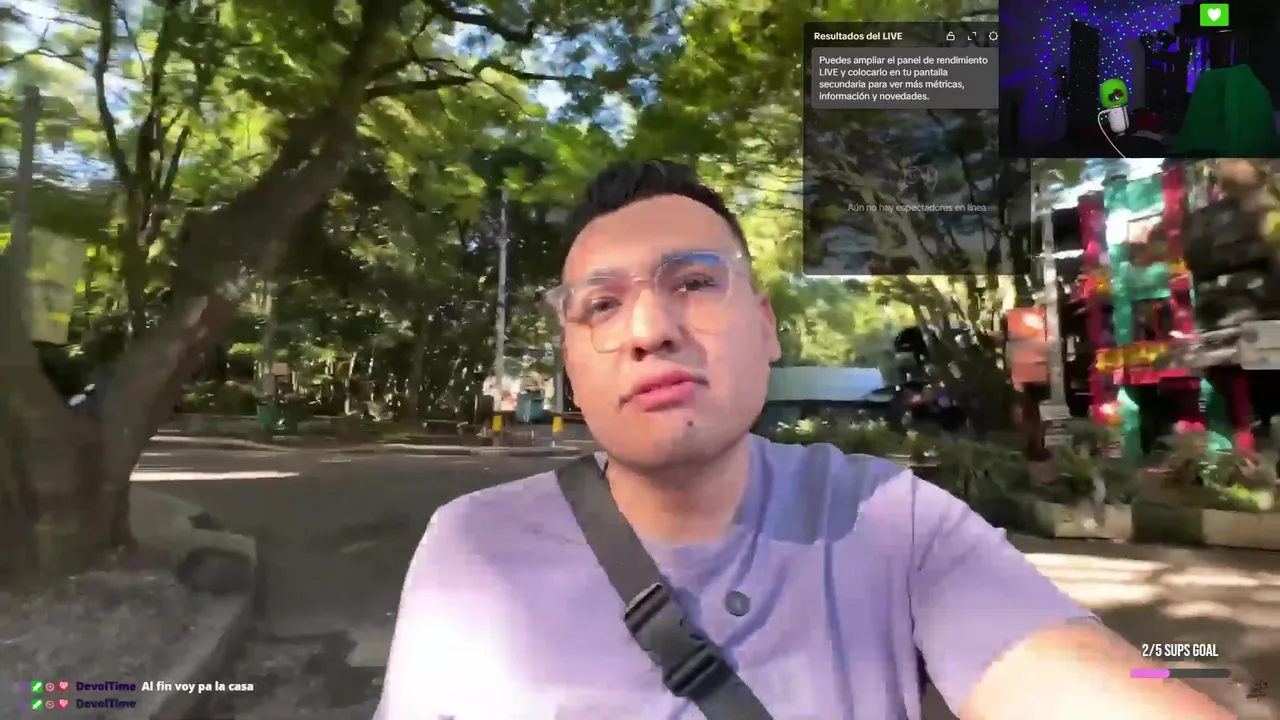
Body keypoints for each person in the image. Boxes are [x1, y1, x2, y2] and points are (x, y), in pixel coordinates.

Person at [374, 160, 1233, 720]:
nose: (648, 329)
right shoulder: (471, 546)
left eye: (693, 282)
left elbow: (1077, 673)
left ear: (766, 326)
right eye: (601, 305)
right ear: (570, 362)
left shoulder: (894, 521)